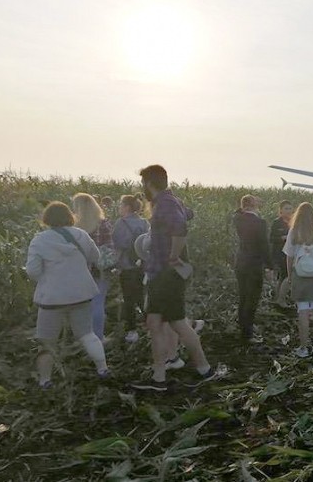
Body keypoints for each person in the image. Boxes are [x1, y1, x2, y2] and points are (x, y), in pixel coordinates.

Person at [133, 164, 214, 391]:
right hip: (161, 273)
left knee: (178, 323)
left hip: (166, 275)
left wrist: (173, 256)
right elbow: (188, 215)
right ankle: (159, 376)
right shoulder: (170, 202)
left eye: (143, 184)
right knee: (155, 322)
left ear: (149, 183)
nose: (142, 188)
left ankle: (204, 369)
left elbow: (180, 229)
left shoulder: (166, 204)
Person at [25, 202, 109, 388]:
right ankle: (103, 368)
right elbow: (95, 257)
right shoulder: (81, 235)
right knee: (87, 334)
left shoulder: (39, 240)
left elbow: (32, 271)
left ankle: (45, 380)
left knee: (47, 342)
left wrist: (47, 280)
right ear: (69, 216)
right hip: (81, 294)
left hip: (52, 299)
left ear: (47, 219)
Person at [283, 202, 313, 358]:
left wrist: (290, 275)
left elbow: (289, 257)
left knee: (302, 312)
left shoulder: (294, 231)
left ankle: (304, 348)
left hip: (300, 275)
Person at [72, 193, 114, 341]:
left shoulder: (74, 227)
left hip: (79, 270)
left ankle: (83, 336)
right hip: (99, 269)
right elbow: (110, 247)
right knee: (98, 303)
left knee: (81, 305)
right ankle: (98, 337)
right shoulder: (103, 223)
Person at [233, 195, 272, 343]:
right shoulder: (260, 222)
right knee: (252, 299)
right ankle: (247, 333)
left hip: (241, 262)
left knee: (243, 296)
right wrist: (269, 266)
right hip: (254, 264)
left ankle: (243, 326)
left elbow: (237, 211)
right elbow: (264, 246)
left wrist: (246, 204)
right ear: (254, 205)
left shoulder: (237, 218)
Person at [112, 194, 149, 343]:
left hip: (127, 266)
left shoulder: (121, 223)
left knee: (128, 299)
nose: (119, 208)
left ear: (127, 207)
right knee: (142, 296)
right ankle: (152, 325)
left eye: (121, 205)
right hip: (142, 265)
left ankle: (131, 331)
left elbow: (118, 246)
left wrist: (115, 265)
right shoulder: (145, 222)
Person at [269, 200, 294, 284]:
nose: (289, 211)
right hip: (279, 255)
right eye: (286, 209)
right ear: (281, 211)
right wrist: (282, 238)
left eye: (290, 208)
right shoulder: (276, 223)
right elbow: (271, 238)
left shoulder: (294, 222)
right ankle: (279, 296)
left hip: (291, 255)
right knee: (281, 278)